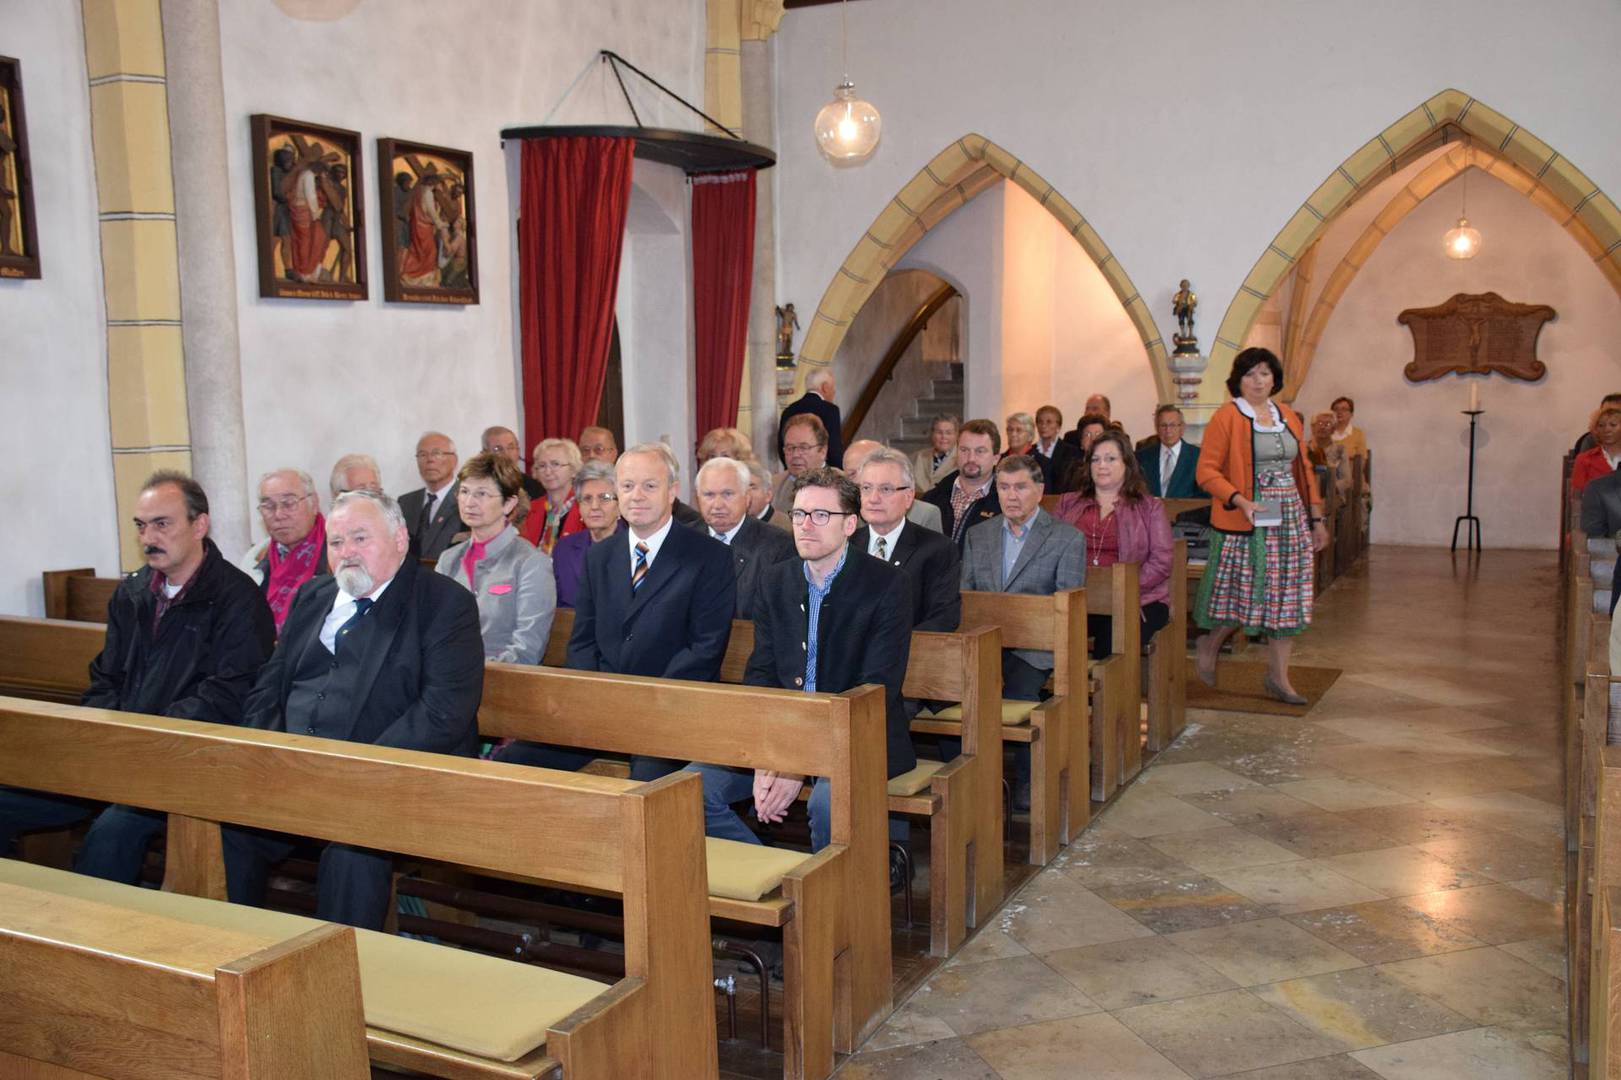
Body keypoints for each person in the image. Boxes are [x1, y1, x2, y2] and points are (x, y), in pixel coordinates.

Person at [224, 490, 485, 930]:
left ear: (399, 539)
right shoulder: (313, 596)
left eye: (360, 538)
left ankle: (344, 968)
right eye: (336, 542)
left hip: (388, 779)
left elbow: (442, 712)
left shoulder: (443, 603)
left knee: (352, 852)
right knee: (228, 825)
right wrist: (267, 753)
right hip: (297, 771)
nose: (346, 552)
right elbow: (270, 685)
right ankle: (236, 953)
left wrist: (355, 770)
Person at [0, 472, 276, 869]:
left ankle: (95, 913)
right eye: (141, 526)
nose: (149, 537)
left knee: (113, 831)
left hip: (187, 760)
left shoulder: (237, 599)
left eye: (162, 524)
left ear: (199, 525)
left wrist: (143, 739)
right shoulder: (132, 593)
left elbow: (226, 695)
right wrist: (105, 733)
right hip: (117, 750)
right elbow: (106, 676)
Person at [686, 466, 912, 855]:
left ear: (849, 524)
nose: (806, 525)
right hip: (781, 733)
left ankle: (836, 891)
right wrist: (766, 757)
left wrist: (795, 764)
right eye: (799, 514)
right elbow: (761, 674)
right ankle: (776, 875)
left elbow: (875, 689)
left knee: (827, 805)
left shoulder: (886, 584)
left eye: (821, 515)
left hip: (858, 736)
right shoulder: (776, 579)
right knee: (692, 789)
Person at [499, 443, 735, 782]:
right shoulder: (600, 556)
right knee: (514, 765)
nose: (637, 496)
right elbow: (582, 641)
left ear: (672, 491)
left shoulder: (707, 556)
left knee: (643, 789)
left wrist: (643, 702)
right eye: (627, 486)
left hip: (670, 709)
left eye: (649, 485)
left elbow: (704, 650)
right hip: (601, 705)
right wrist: (599, 697)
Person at [1194, 347, 1330, 706]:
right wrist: (1240, 499)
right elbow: (1206, 471)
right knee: (1242, 593)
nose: (1258, 381)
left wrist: (1316, 518)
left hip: (1289, 516)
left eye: (1265, 373)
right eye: (1250, 374)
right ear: (1238, 380)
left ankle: (1278, 677)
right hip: (1246, 517)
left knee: (1286, 595)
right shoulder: (1227, 416)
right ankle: (1210, 643)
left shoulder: (1287, 416)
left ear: (1275, 379)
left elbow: (1304, 470)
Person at [961, 455, 1086, 806]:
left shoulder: (1066, 538)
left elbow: (1067, 612)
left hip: (1036, 647)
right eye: (1003, 487)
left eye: (1020, 487)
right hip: (985, 641)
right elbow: (966, 598)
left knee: (1019, 691)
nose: (1011, 496)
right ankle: (972, 784)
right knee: (957, 689)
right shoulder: (978, 535)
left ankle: (1027, 785)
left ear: (1040, 491)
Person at [1055, 430, 1174, 657]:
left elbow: (1161, 561)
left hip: (1138, 599)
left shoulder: (1150, 508)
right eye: (1095, 459)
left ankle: (1104, 682)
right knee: (1054, 633)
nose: (1102, 465)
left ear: (1127, 464)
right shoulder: (1067, 503)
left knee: (1112, 640)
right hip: (1079, 597)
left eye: (1110, 459)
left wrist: (1120, 589)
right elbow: (1050, 552)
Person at [436, 452, 556, 664]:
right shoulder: (448, 560)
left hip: (503, 677)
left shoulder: (530, 563)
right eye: (464, 491)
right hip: (447, 674)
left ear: (509, 504)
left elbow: (527, 649)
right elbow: (432, 629)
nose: (469, 502)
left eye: (481, 494)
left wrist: (473, 672)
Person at [852, 448, 961, 632]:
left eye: (886, 489)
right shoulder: (845, 545)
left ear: (909, 497)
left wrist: (892, 644)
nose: (873, 499)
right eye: (866, 488)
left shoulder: (937, 549)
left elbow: (944, 617)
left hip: (911, 647)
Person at [697, 456, 796, 618]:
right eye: (709, 495)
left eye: (728, 494)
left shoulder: (779, 547)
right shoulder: (683, 541)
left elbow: (783, 615)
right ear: (698, 498)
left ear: (747, 498)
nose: (717, 505)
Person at [238, 468, 328, 635]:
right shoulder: (254, 559)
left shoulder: (338, 554)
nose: (279, 514)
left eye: (289, 503)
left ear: (314, 503)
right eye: (269, 506)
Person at [552, 460, 623, 609]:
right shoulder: (564, 549)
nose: (595, 506)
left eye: (604, 498)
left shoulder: (637, 548)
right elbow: (555, 607)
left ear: (620, 505)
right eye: (587, 499)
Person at [922, 418, 1003, 546]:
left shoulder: (1005, 503)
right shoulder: (933, 498)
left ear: (996, 458)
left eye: (980, 451)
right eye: (964, 450)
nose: (971, 458)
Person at [844, 438, 942, 533]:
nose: (858, 480)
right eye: (852, 474)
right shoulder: (844, 515)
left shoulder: (925, 515)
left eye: (885, 489)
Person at [398, 431, 465, 561]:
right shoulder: (405, 502)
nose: (430, 460)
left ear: (454, 460)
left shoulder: (466, 499)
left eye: (437, 453)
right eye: (423, 454)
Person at [521, 437, 585, 552]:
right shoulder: (529, 509)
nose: (548, 472)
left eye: (555, 464)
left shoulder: (585, 508)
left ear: (574, 470)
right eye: (542, 465)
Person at [778, 367, 843, 469]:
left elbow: (781, 446)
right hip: (822, 473)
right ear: (825, 387)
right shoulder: (830, 410)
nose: (833, 393)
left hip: (793, 471)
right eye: (833, 389)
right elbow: (833, 449)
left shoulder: (789, 410)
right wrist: (837, 472)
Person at [1136, 405, 1204, 498]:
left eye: (1172, 425)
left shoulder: (1198, 457)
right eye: (1163, 425)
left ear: (1182, 427)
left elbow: (1204, 495)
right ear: (1156, 428)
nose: (1168, 430)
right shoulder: (1142, 457)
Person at [773, 413, 830, 513]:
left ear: (822, 451)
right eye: (790, 448)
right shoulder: (774, 485)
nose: (795, 455)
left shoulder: (842, 485)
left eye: (803, 448)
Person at [482, 424, 543, 501]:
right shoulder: (476, 486)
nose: (506, 454)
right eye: (498, 449)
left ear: (518, 451)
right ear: (485, 453)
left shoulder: (534, 486)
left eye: (511, 447)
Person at [1032, 405, 1080, 495]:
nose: (1043, 425)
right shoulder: (1030, 452)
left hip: (1061, 500)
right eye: (1040, 422)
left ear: (1058, 426)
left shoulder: (1071, 452)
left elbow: (1072, 484)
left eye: (1049, 422)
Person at [1306, 410, 1353, 501]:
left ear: (1333, 429)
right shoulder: (1304, 449)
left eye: (1327, 424)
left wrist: (1327, 490)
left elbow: (1346, 480)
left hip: (1332, 497)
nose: (1323, 427)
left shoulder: (1340, 450)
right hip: (1308, 495)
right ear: (1312, 427)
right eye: (1319, 423)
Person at [1572, 408, 1621, 492]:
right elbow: (1577, 496)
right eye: (1601, 425)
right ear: (1595, 430)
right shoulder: (1584, 459)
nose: (1607, 430)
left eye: (1613, 425)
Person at [912, 414, 959, 496]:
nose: (944, 437)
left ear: (956, 435)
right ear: (932, 434)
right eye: (939, 432)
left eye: (948, 433)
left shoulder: (961, 459)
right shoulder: (919, 456)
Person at [746, 457, 791, 532]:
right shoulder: (730, 524)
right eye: (741, 487)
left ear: (768, 495)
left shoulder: (786, 527)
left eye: (753, 488)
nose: (746, 494)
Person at [1329, 396, 1368, 461]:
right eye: (1336, 409)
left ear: (1351, 414)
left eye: (1344, 409)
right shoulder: (1324, 432)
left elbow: (1361, 461)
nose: (1339, 412)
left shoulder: (1358, 434)